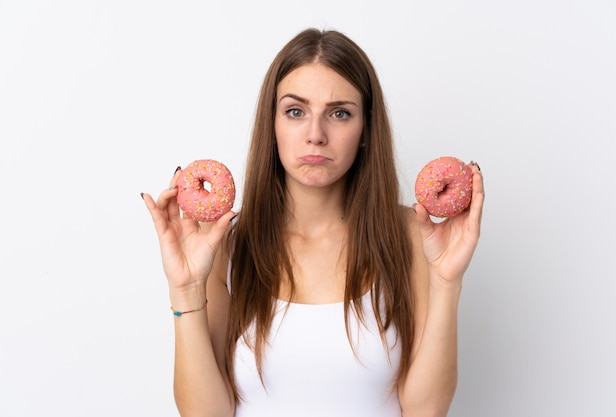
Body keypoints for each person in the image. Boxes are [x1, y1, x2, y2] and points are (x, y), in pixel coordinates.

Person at [142, 28, 484, 417]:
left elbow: (426, 410)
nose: (315, 135)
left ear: (366, 129)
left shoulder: (410, 236)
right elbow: (206, 414)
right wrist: (185, 289)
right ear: (272, 125)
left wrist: (447, 282)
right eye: (295, 111)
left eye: (339, 113)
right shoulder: (226, 244)